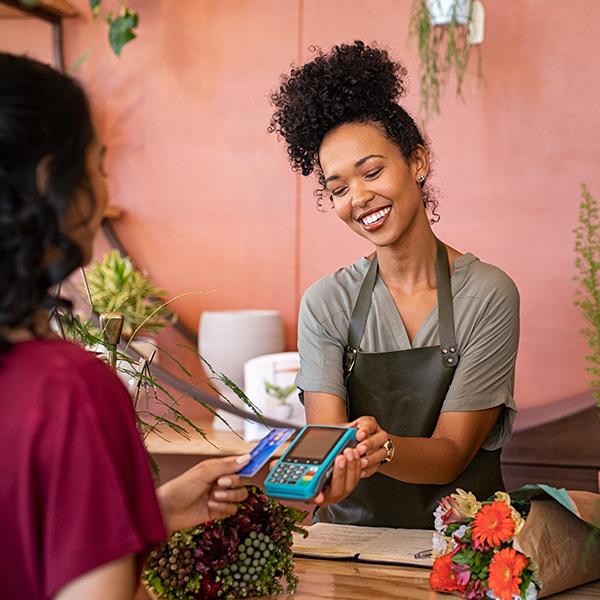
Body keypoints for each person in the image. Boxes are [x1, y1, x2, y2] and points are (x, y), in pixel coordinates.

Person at [0, 53, 252, 600]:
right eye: (98, 164)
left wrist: (144, 514)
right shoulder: (72, 392)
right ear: (50, 182)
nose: (106, 193)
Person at [269, 41, 520, 528]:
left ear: (418, 162)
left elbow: (451, 452)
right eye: (338, 188)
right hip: (351, 549)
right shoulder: (326, 303)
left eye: (373, 171)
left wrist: (377, 446)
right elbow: (326, 440)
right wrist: (322, 470)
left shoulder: (489, 294)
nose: (359, 198)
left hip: (465, 548)